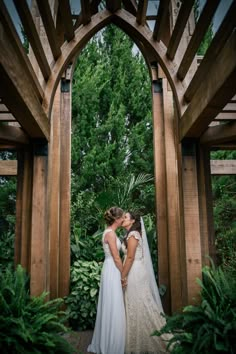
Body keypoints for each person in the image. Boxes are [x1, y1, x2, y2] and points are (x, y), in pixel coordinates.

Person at [121, 211, 170, 354]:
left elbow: (130, 258)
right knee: (135, 303)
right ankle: (136, 339)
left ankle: (149, 338)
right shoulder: (130, 234)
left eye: (125, 217)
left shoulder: (133, 235)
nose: (123, 219)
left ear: (133, 220)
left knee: (139, 302)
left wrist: (122, 276)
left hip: (134, 272)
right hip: (133, 270)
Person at [88, 206, 126, 354]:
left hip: (111, 268)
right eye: (122, 217)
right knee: (113, 302)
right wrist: (123, 274)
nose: (123, 219)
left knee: (113, 302)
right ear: (117, 219)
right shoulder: (110, 234)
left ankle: (112, 339)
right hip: (112, 269)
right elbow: (116, 257)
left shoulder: (111, 233)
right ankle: (111, 344)